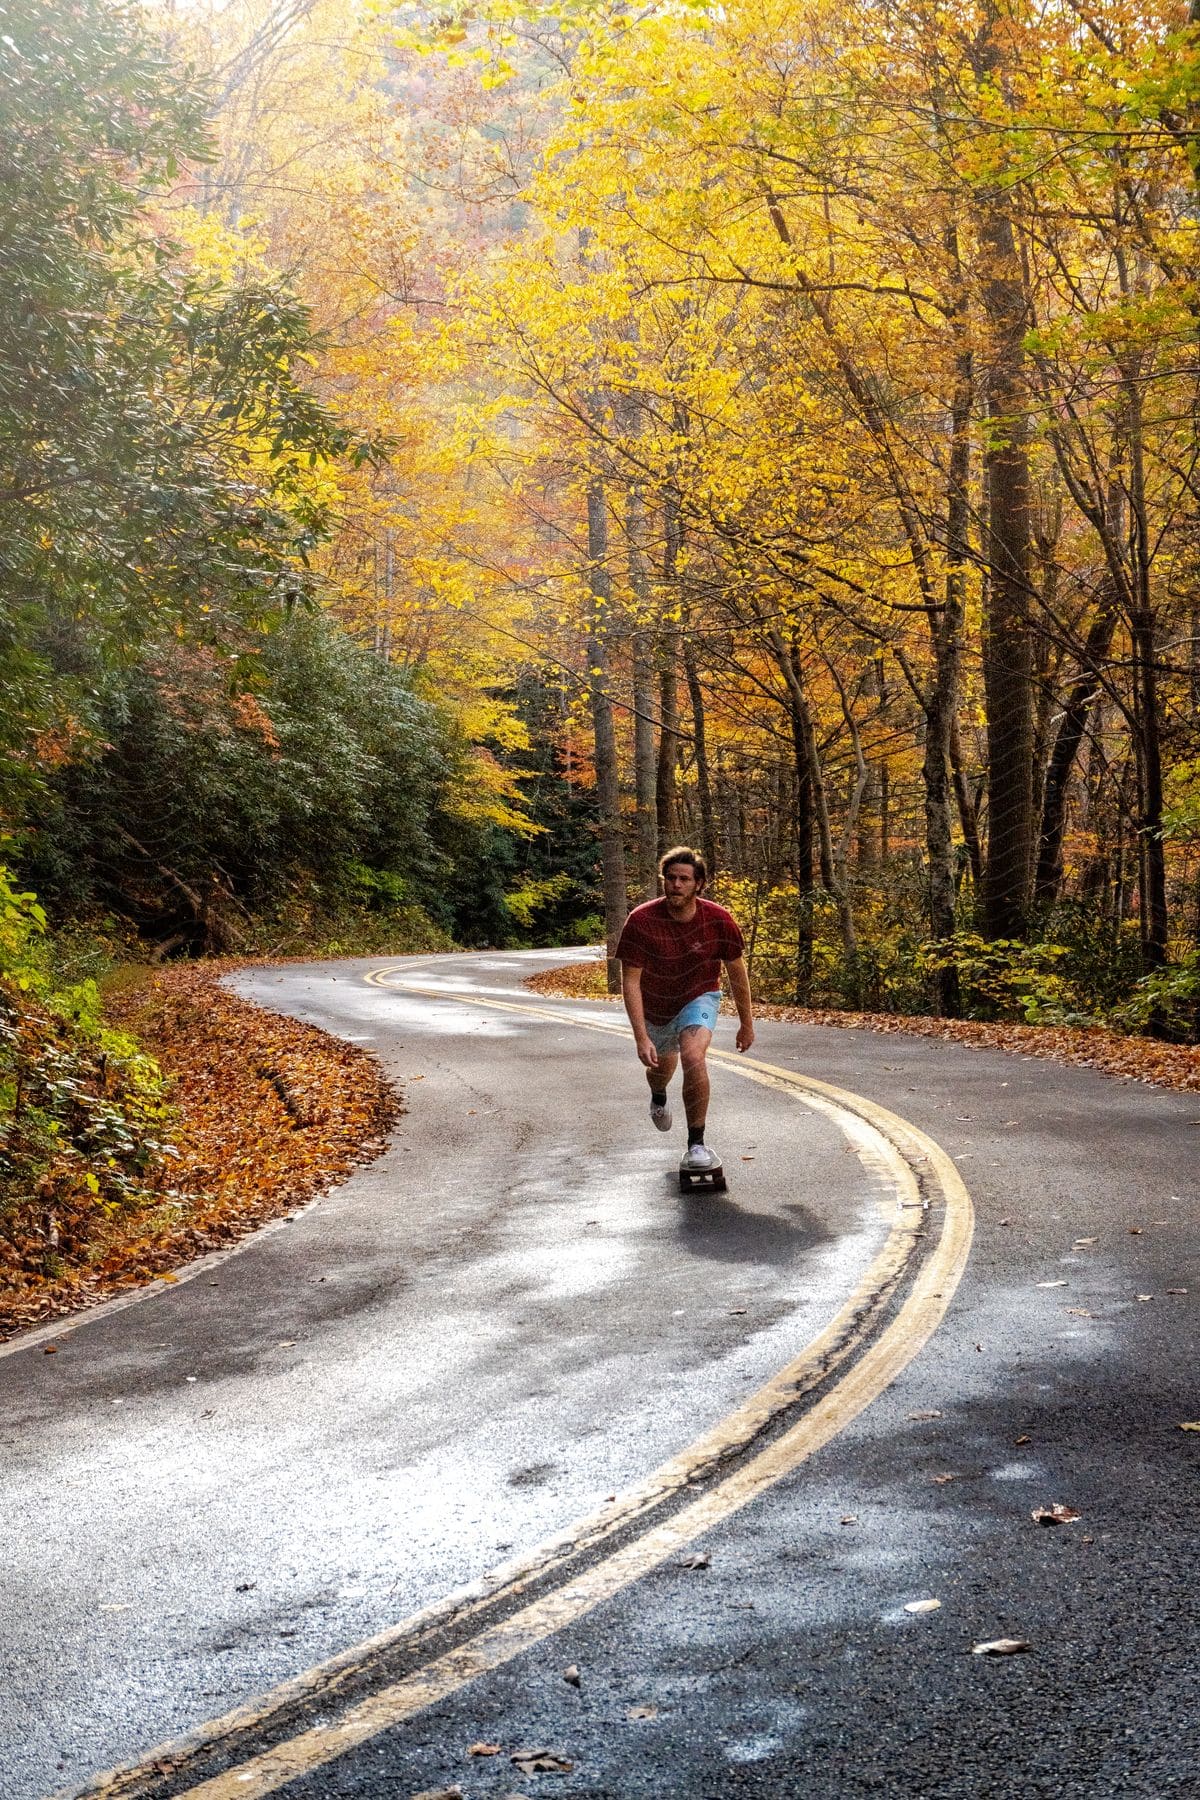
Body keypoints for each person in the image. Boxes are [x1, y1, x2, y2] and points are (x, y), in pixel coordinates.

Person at [615, 846, 755, 1177]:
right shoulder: (642, 921)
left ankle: (696, 1145)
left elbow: (737, 974)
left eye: (684, 879)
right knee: (661, 1068)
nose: (676, 884)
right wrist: (640, 1037)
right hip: (655, 1005)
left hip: (699, 996)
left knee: (693, 1057)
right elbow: (630, 982)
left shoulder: (718, 920)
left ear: (699, 884)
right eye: (670, 878)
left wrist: (746, 1024)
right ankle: (658, 1094)